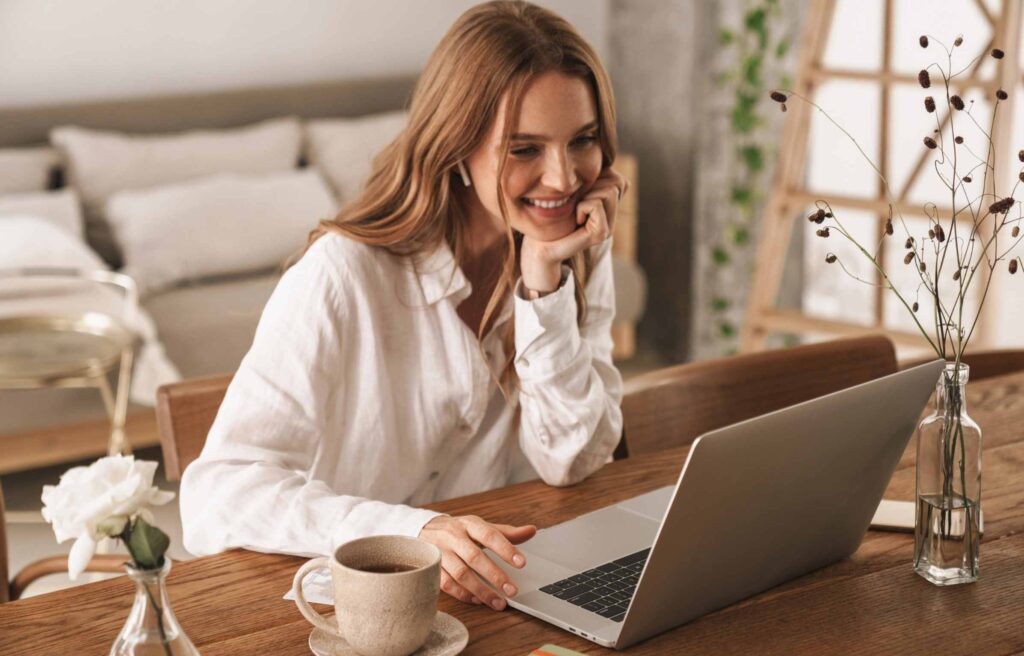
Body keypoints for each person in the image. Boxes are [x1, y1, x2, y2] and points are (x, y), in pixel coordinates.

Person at [180, 0, 628, 613]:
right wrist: (412, 531)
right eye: (524, 149)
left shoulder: (572, 253)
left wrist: (544, 290)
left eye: (583, 141)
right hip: (341, 616)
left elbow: (571, 460)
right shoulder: (343, 275)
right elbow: (216, 495)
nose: (563, 179)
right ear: (457, 145)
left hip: (494, 598)